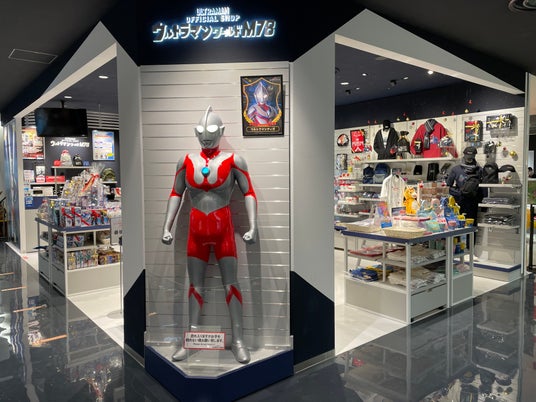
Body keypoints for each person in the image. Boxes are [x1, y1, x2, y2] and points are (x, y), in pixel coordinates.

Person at [161, 106, 258, 364]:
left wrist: (253, 226)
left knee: (231, 284)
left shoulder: (234, 160)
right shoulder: (186, 161)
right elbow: (176, 193)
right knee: (195, 286)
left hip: (223, 231)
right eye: (201, 131)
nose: (206, 136)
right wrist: (166, 226)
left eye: (212, 130)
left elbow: (249, 193)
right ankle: (191, 340)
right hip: (197, 232)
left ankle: (238, 339)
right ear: (196, 132)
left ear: (221, 131)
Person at [446, 146, 483, 224]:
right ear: (464, 155)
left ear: (474, 156)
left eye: (471, 156)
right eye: (468, 156)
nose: (469, 158)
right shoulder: (456, 169)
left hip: (473, 202)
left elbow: (483, 188)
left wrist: (483, 203)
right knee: (458, 225)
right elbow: (448, 187)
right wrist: (459, 193)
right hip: (459, 202)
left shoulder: (479, 170)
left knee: (471, 225)